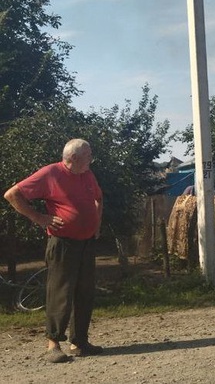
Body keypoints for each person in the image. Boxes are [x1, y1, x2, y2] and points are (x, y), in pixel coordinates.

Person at [4, 139, 104, 363]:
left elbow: (99, 197)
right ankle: (53, 345)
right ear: (74, 158)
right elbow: (12, 195)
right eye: (88, 155)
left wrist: (96, 223)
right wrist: (39, 218)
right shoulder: (51, 173)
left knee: (85, 292)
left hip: (86, 242)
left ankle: (80, 342)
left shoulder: (87, 174)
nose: (91, 159)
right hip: (63, 243)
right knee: (60, 292)